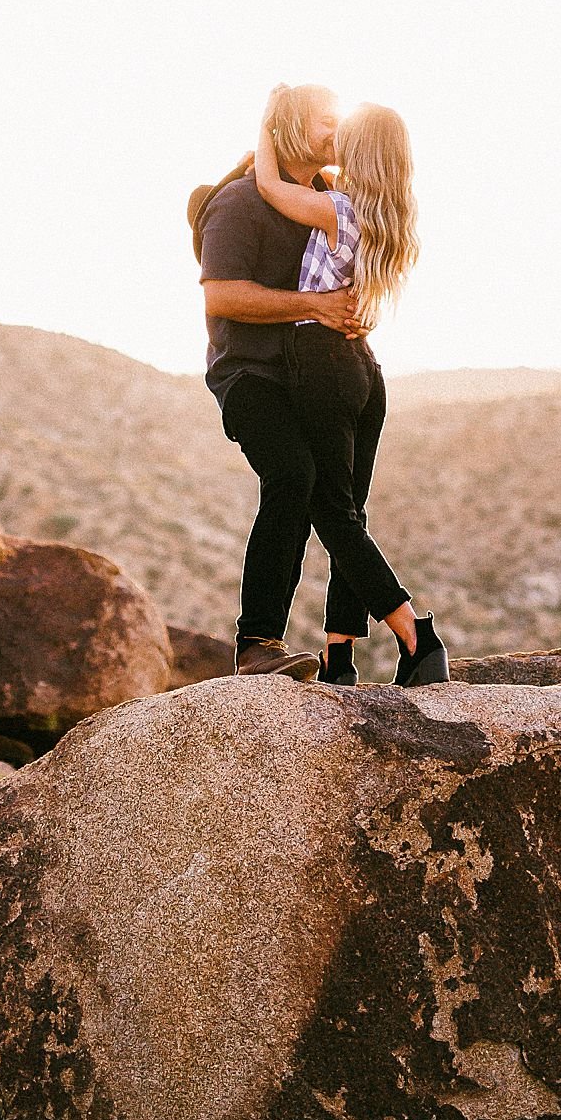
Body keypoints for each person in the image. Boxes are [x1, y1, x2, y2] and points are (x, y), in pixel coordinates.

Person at [252, 92, 448, 687]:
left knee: (329, 509)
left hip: (322, 359)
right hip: (364, 368)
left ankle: (416, 633)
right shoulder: (390, 215)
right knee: (351, 511)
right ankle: (339, 651)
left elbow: (270, 187)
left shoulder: (338, 208)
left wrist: (267, 128)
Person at [197, 84, 361, 677]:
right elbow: (221, 293)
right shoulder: (240, 203)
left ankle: (341, 651)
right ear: (291, 128)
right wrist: (312, 307)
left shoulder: (327, 199)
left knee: (337, 497)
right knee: (292, 475)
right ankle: (256, 644)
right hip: (249, 372)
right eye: (324, 121)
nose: (335, 132)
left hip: (308, 374)